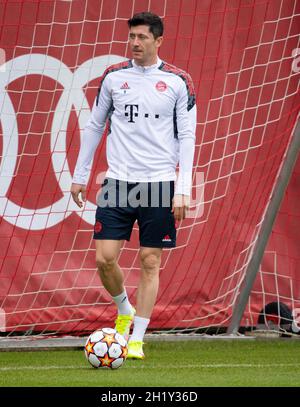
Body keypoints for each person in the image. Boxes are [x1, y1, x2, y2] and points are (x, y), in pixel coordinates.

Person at [71, 11, 197, 359]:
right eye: (132, 37)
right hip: (118, 182)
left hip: (159, 183)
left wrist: (183, 188)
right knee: (104, 259)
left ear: (159, 41)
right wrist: (80, 175)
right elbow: (95, 126)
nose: (135, 43)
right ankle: (124, 309)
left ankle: (137, 338)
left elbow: (187, 136)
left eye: (142, 37)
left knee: (149, 260)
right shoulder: (113, 77)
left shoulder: (178, 81)